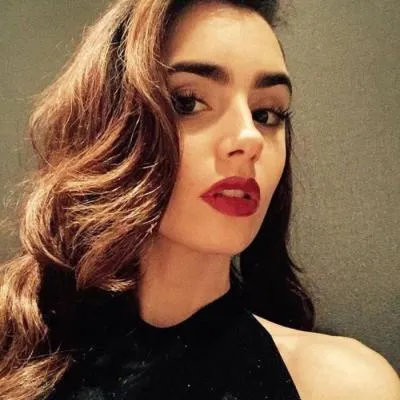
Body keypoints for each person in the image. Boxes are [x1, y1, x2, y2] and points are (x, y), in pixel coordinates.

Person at [0, 0, 399, 399]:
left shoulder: (345, 386)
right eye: (188, 102)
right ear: (110, 125)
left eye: (266, 114)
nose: (249, 138)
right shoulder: (15, 348)